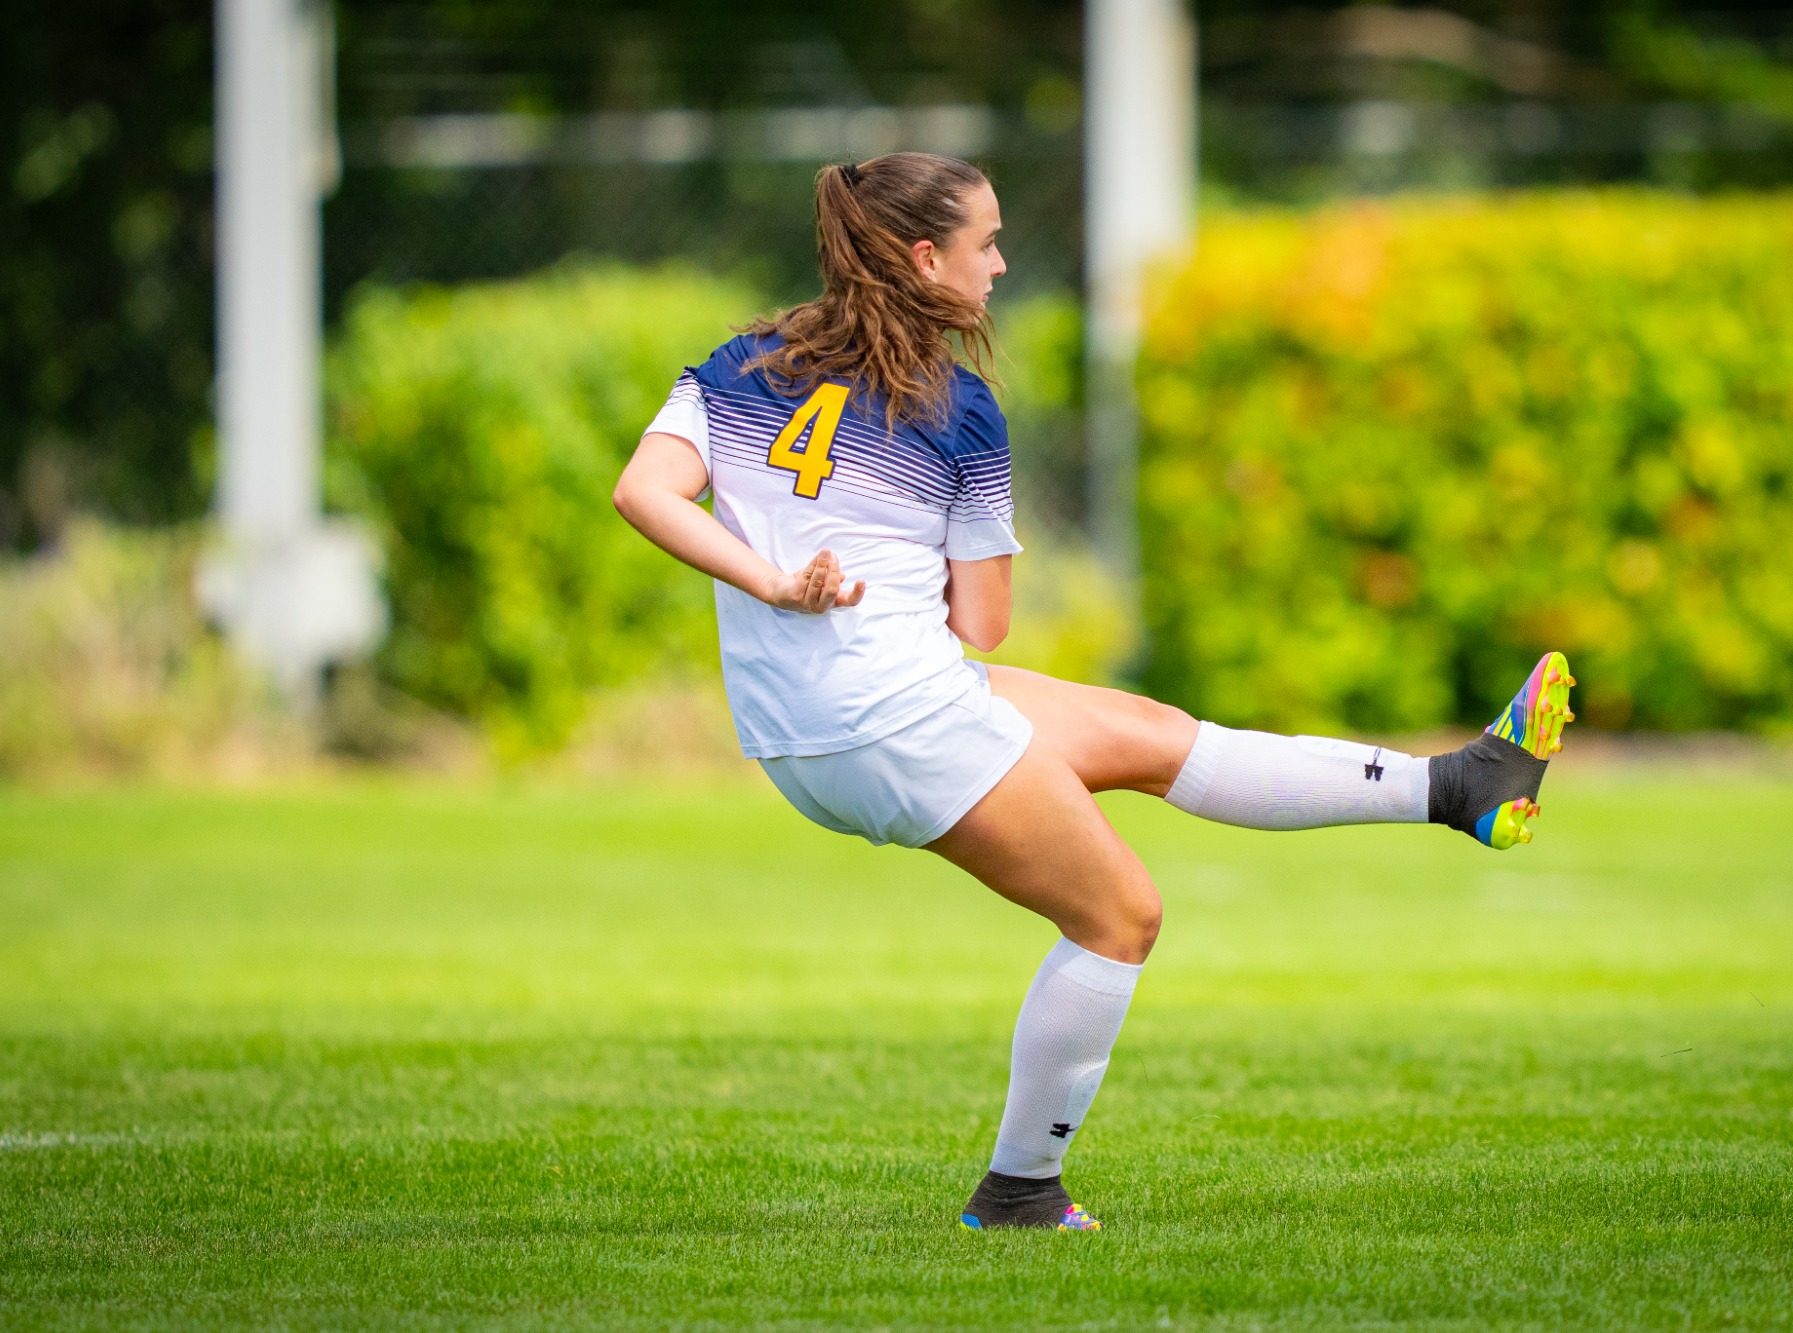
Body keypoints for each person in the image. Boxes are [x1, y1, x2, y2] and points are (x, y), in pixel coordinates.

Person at [613, 152, 1574, 1233]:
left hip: (805, 733)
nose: (1000, 264)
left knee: (1156, 738)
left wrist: (775, 578)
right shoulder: (954, 405)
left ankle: (1459, 785)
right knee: (1119, 914)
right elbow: (983, 623)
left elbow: (642, 489)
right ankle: (1020, 1189)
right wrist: (848, 565)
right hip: (894, 721)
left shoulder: (740, 362)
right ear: (926, 258)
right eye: (985, 244)